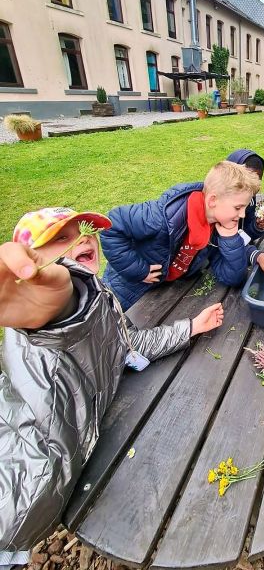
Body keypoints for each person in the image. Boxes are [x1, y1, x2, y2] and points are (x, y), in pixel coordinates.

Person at [0, 208, 224, 559]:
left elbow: (128, 344)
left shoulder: (98, 295)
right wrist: (57, 313)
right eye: (61, 237)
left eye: (84, 230)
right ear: (29, 262)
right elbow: (63, 330)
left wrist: (191, 327)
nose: (83, 237)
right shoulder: (44, 328)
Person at [101, 161, 261, 310]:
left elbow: (233, 277)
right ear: (212, 200)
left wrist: (231, 239)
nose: (242, 215)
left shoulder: (216, 227)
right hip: (124, 289)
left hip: (159, 297)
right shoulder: (161, 216)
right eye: (238, 208)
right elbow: (111, 225)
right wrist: (137, 271)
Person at [226, 148, 264, 281]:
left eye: (258, 180)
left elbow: (245, 232)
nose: (252, 186)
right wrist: (256, 255)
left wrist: (257, 226)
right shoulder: (224, 202)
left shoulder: (250, 198)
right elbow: (225, 239)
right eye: (248, 178)